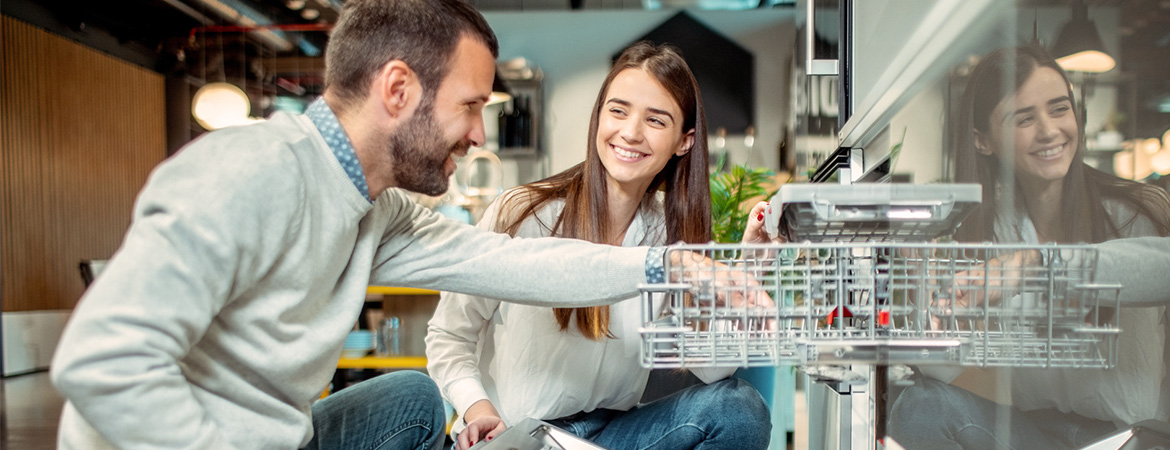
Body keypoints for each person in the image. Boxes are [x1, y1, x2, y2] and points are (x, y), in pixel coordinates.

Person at [47, 2, 769, 449]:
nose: (479, 135)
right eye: (470, 105)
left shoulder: (376, 209)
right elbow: (101, 361)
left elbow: (515, 265)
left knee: (410, 401)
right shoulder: (249, 171)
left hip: (284, 437)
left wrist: (663, 266)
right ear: (398, 90)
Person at [426, 42, 772, 450]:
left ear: (684, 141)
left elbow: (712, 371)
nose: (630, 132)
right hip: (523, 437)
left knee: (739, 408)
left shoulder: (668, 235)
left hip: (612, 436)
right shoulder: (524, 213)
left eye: (656, 120)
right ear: (599, 117)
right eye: (618, 110)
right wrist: (479, 411)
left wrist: (748, 272)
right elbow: (450, 335)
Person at [888, 45, 1170, 449]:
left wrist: (1033, 265)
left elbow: (1163, 268)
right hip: (1034, 434)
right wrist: (939, 315)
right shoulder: (989, 229)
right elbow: (948, 373)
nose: (1050, 130)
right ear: (983, 141)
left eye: (1059, 109)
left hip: (1131, 438)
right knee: (918, 405)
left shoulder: (1132, 210)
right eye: (1024, 118)